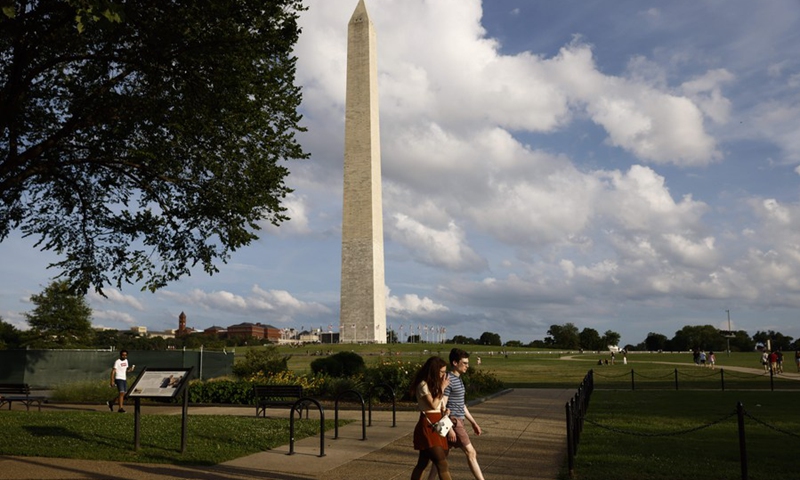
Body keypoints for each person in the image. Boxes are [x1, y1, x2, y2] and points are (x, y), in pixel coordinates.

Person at [427, 348, 485, 480]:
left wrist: (473, 422)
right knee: (471, 452)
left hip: (458, 420)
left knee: (441, 457)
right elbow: (443, 404)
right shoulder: (449, 379)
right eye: (464, 363)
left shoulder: (458, 380)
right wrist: (451, 428)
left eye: (467, 363)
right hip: (453, 421)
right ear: (454, 362)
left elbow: (461, 405)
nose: (467, 366)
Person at [410, 356, 452, 480]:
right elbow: (432, 404)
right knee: (442, 463)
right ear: (434, 371)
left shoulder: (434, 385)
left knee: (422, 462)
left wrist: (445, 411)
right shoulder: (423, 385)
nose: (444, 375)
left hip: (438, 423)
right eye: (442, 372)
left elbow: (438, 405)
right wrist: (443, 388)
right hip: (428, 425)